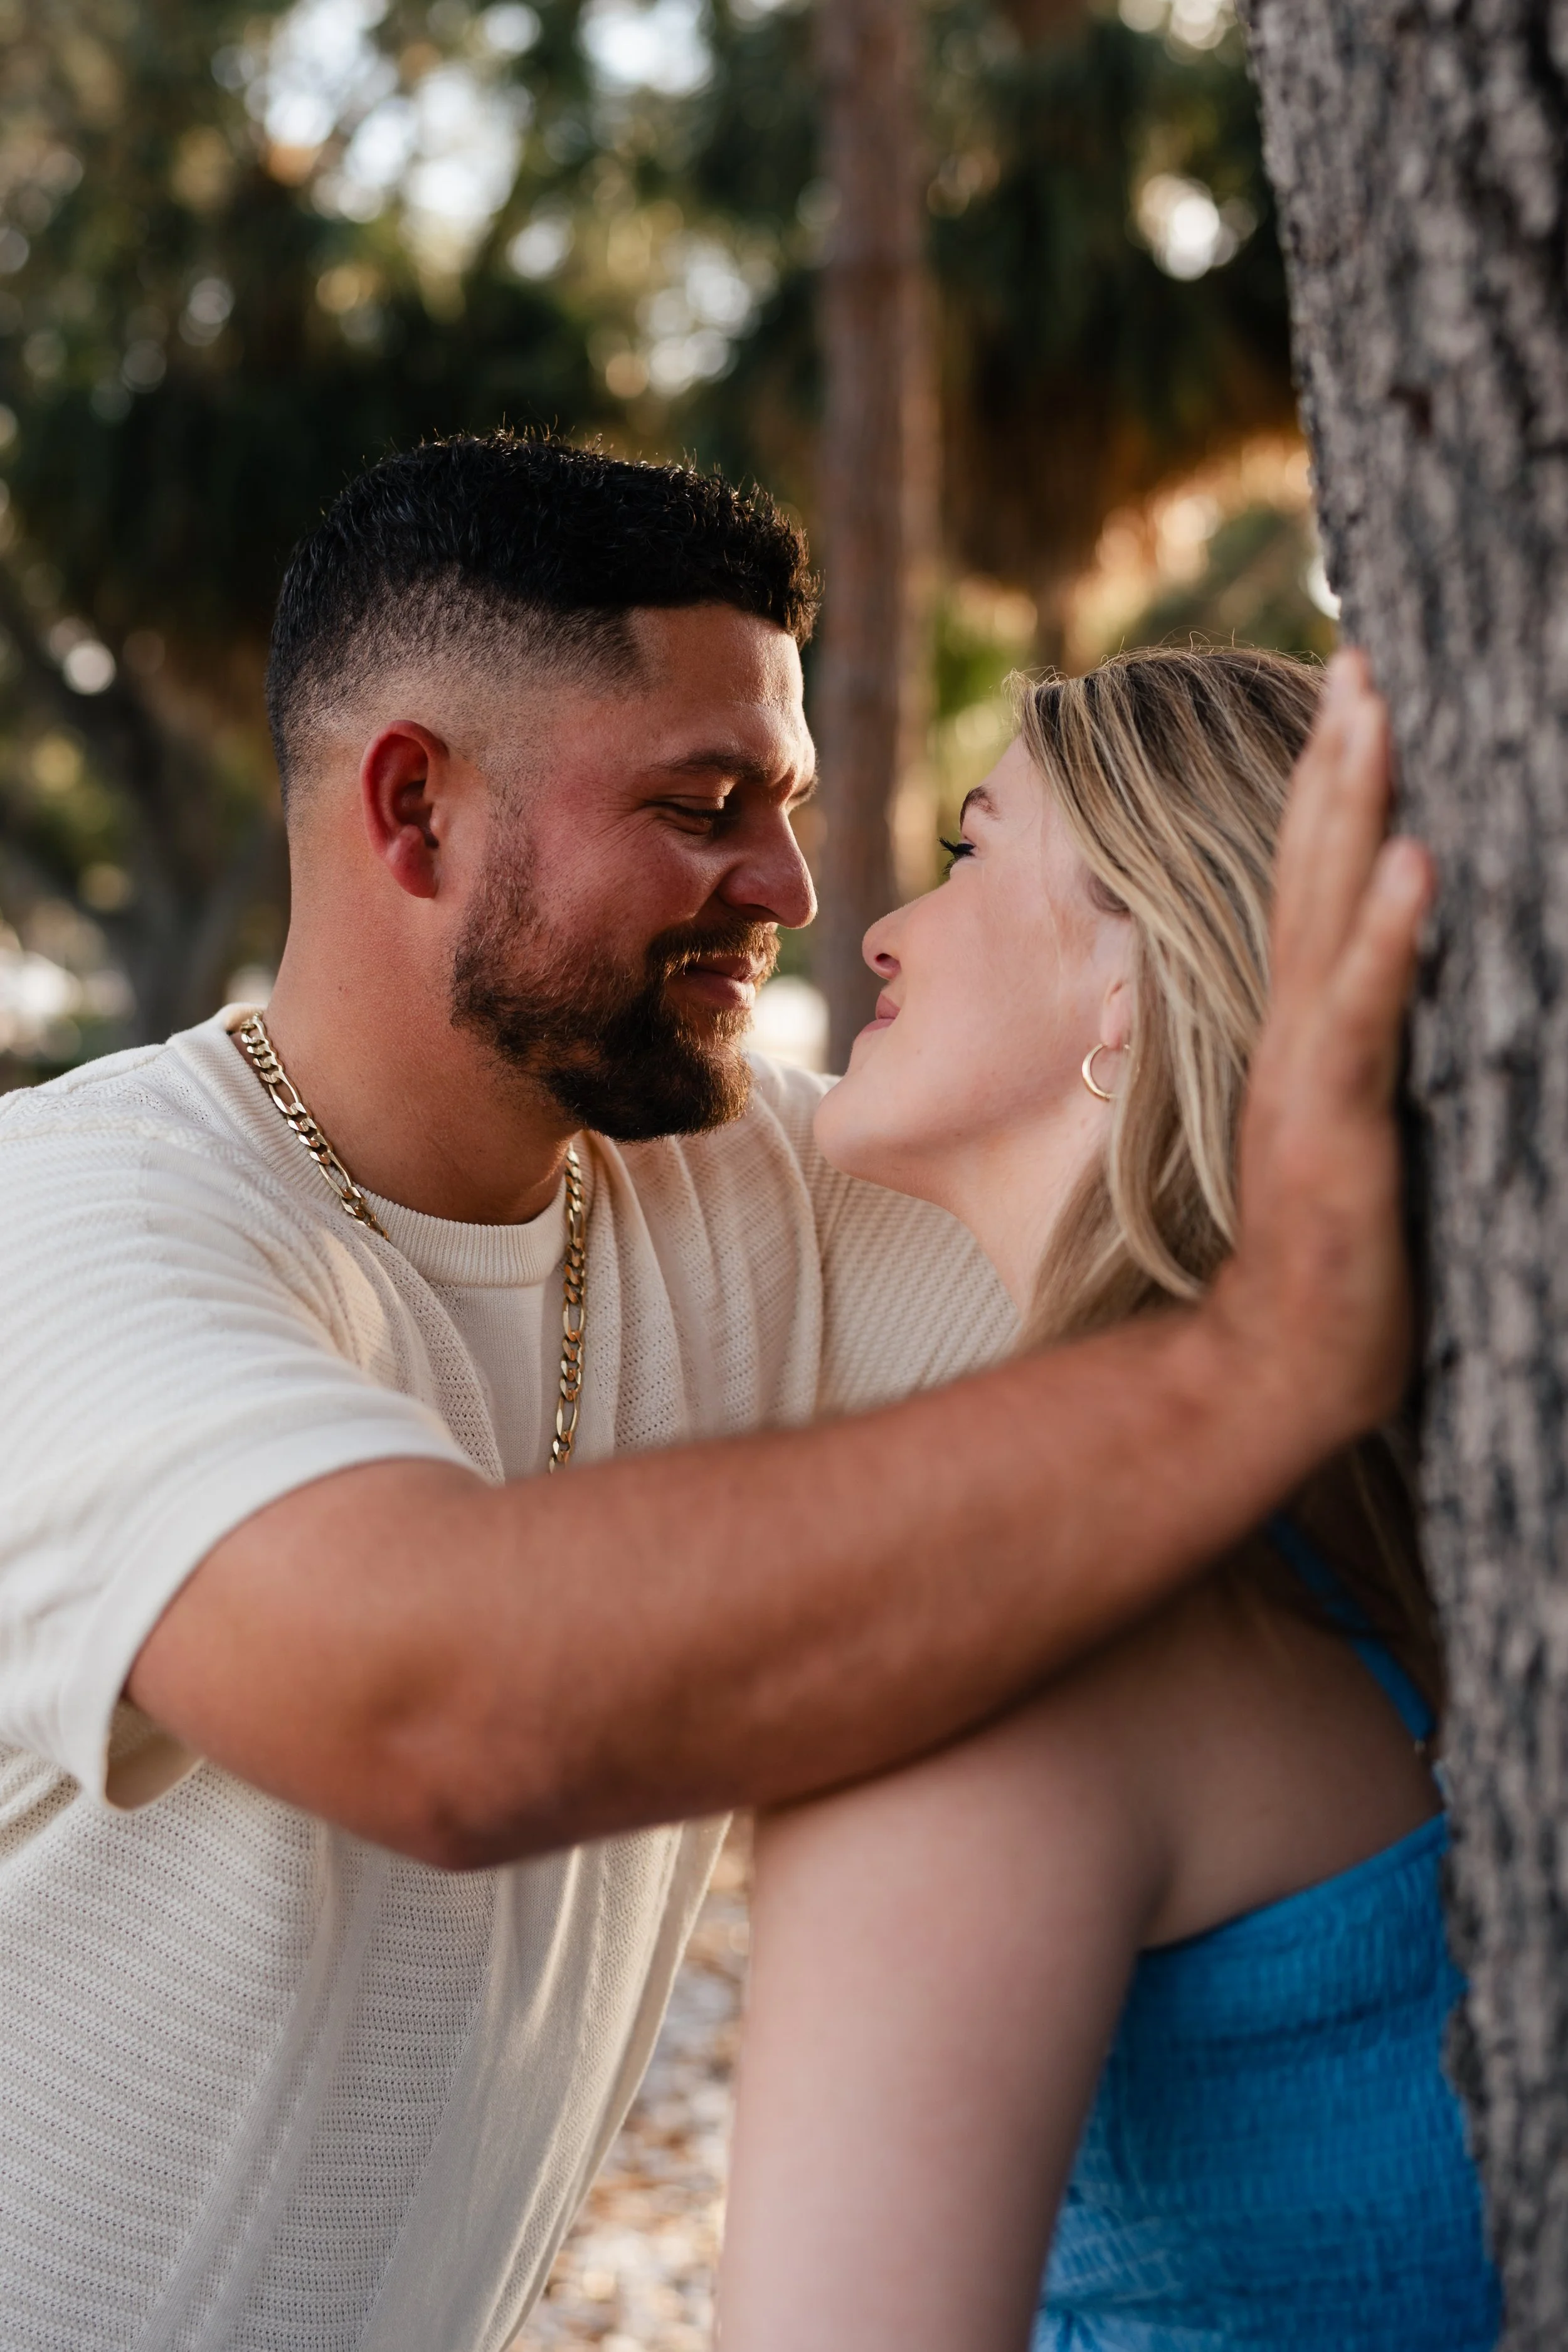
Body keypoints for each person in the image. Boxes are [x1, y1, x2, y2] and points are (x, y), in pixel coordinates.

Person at [0, 434, 1427, 2352]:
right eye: (699, 803)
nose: (789, 884)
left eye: (795, 804)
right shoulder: (81, 1228)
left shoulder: (781, 1185)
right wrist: (1262, 1361)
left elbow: (1141, 1212)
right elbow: (437, 1707)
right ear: (412, 810)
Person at [718, 647, 1496, 2352]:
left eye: (972, 848)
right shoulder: (1381, 1533)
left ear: (1136, 979)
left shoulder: (995, 1653)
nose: (879, 928)